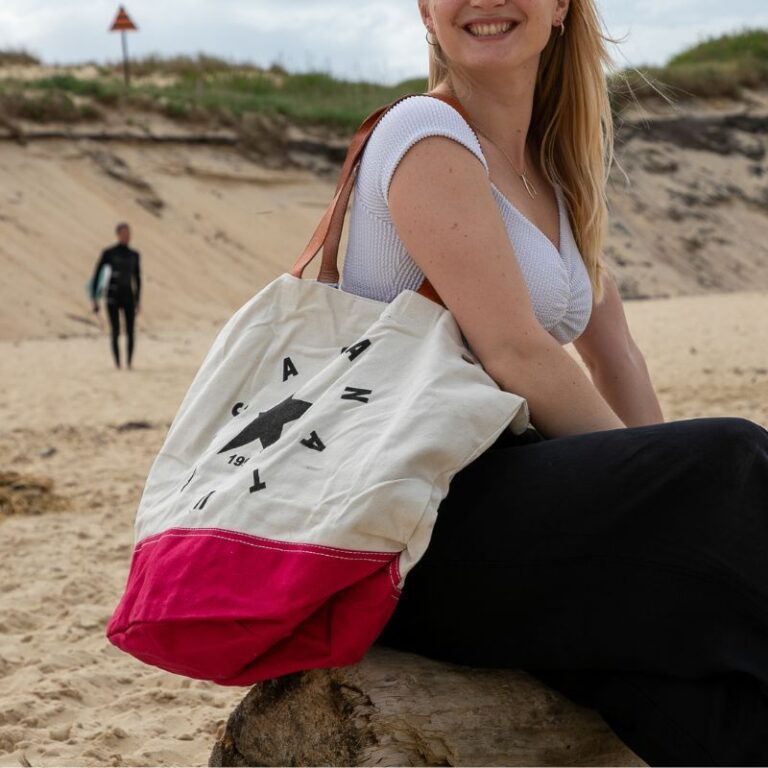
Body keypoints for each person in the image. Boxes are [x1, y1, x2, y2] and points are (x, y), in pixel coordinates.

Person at [339, 0, 768, 764]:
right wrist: (659, 502)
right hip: (416, 523)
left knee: (684, 684)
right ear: (425, 11)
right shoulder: (422, 133)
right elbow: (518, 353)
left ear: (562, 7)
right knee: (730, 463)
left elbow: (618, 358)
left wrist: (648, 480)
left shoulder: (556, 168)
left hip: (521, 514)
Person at [90, 222, 141, 369]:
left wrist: (138, 299)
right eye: (124, 233)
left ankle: (129, 363)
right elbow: (97, 274)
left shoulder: (134, 255)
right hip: (112, 296)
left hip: (128, 296)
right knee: (115, 330)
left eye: (129, 233)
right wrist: (94, 298)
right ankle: (118, 363)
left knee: (131, 330)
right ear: (118, 234)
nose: (127, 236)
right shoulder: (109, 253)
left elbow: (137, 278)